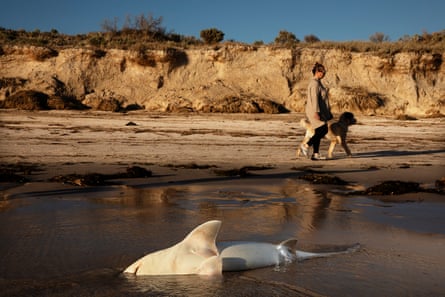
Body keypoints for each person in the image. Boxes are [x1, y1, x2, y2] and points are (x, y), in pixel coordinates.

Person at [300, 62, 333, 160]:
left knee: (319, 131)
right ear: (316, 72)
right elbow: (314, 98)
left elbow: (322, 100)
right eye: (321, 71)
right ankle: (306, 145)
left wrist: (327, 113)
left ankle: (315, 154)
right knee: (323, 130)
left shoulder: (318, 82)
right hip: (314, 111)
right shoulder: (314, 83)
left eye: (324, 71)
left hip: (319, 110)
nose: (323, 73)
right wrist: (316, 112)